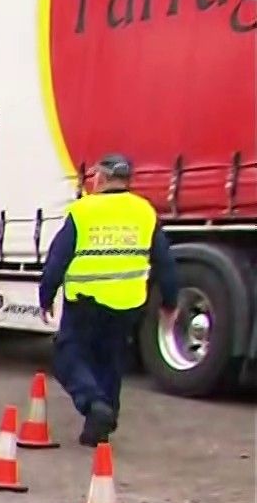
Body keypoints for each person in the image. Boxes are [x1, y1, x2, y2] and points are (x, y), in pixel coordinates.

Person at [39, 153, 178, 446]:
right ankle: (100, 425)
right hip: (128, 304)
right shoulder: (144, 211)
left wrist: (46, 296)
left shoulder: (83, 211)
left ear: (101, 178)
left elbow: (57, 258)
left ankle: (94, 404)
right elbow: (165, 262)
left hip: (85, 303)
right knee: (110, 362)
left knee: (68, 356)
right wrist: (170, 302)